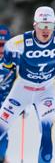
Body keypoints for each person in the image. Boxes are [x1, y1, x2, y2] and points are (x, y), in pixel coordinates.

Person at [0, 6, 55, 163]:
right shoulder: (23, 41)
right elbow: (9, 46)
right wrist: (8, 63)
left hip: (45, 90)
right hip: (22, 89)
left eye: (50, 25)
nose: (46, 30)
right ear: (34, 25)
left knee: (46, 131)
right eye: (42, 25)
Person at [0, 25, 16, 163]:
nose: (1, 49)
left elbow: (23, 80)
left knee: (2, 134)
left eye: (4, 45)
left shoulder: (15, 59)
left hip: (6, 103)